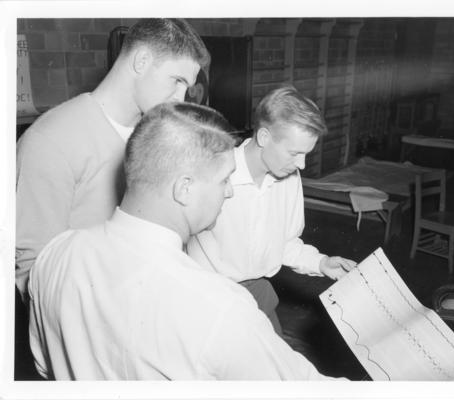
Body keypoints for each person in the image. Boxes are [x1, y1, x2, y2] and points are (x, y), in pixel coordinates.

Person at [28, 102, 346, 381]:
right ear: (184, 189)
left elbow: (45, 365)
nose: (231, 190)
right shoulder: (220, 309)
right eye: (224, 180)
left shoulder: (55, 255)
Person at [16, 18, 209, 301]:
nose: (181, 97)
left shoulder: (156, 136)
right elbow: (33, 272)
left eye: (187, 86)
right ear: (141, 61)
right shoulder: (50, 140)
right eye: (177, 80)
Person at [187, 86, 357, 333]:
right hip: (207, 300)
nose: (302, 164)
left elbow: (285, 243)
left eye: (306, 154)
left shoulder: (289, 177)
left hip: (256, 295)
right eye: (294, 153)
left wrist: (321, 263)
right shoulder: (212, 173)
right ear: (264, 137)